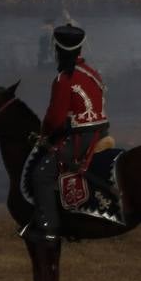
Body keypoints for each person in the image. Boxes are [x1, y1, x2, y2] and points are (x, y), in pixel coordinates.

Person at [22, 24, 108, 244]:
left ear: (58, 50)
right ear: (79, 49)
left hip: (80, 138)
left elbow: (55, 118)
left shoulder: (64, 78)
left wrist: (44, 135)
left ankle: (48, 229)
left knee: (41, 175)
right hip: (100, 132)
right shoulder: (92, 73)